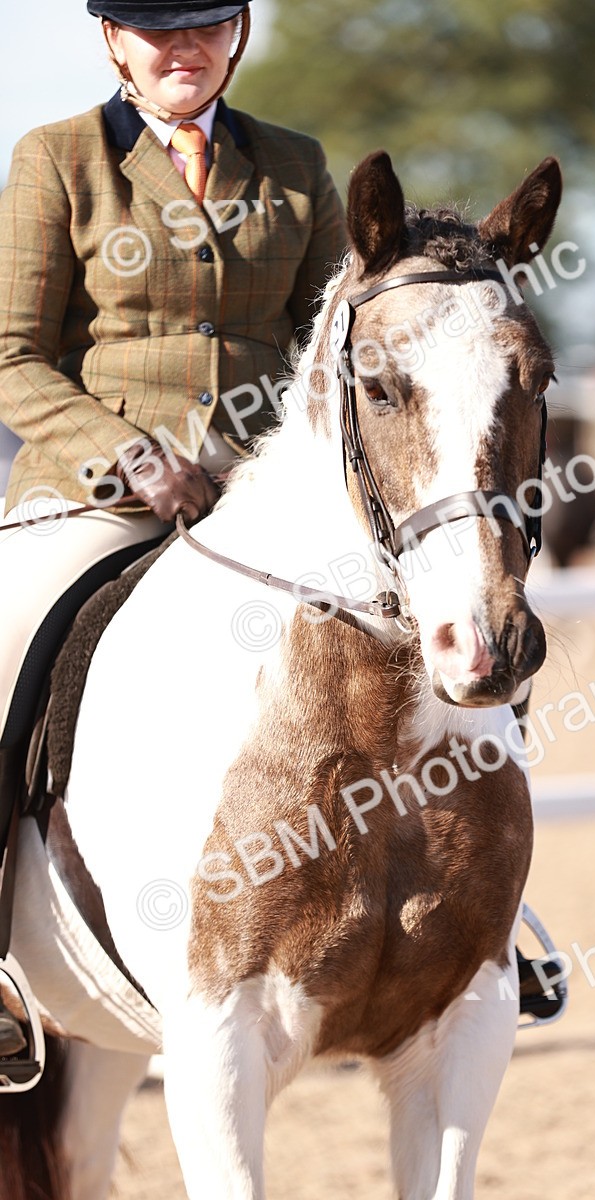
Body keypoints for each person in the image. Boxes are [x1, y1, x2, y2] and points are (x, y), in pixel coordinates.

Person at [0, 0, 347, 1056]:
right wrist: (132, 455)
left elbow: (334, 340)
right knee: (1, 660)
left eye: (206, 23)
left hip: (262, 500)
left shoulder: (294, 164)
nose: (182, 47)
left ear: (237, 33)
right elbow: (11, 356)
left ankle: (482, 925)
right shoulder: (59, 158)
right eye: (157, 28)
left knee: (419, 639)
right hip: (96, 498)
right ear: (112, 40)